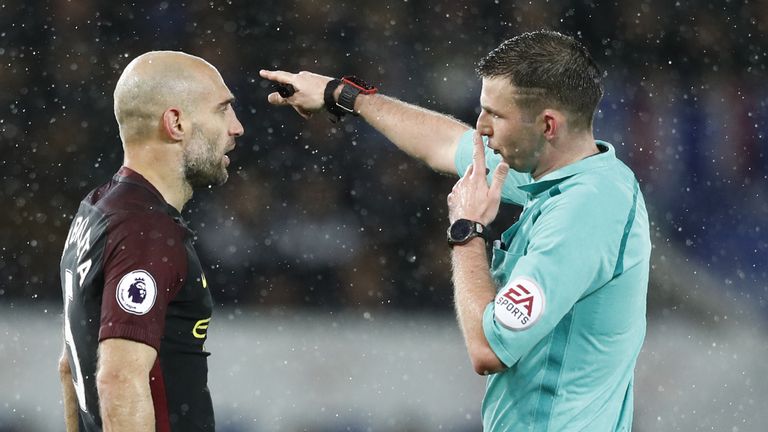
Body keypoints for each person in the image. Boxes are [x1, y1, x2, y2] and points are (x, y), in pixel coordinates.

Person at [260, 30, 650, 431]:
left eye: (494, 114)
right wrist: (343, 96)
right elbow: (445, 144)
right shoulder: (564, 174)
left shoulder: (583, 211)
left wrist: (467, 229)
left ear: (548, 125)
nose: (480, 126)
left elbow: (488, 348)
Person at [58, 51, 244, 431]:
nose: (236, 127)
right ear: (175, 123)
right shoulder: (146, 232)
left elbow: (70, 368)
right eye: (223, 110)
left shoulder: (97, 208)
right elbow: (118, 380)